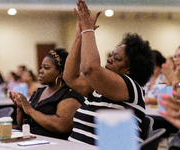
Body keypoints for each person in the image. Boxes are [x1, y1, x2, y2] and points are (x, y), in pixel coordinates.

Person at [63, 0, 154, 145]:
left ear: (129, 70)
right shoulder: (99, 89)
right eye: (111, 55)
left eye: (116, 58)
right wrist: (79, 38)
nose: (109, 60)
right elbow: (70, 78)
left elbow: (90, 68)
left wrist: (88, 30)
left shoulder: (131, 88)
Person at [9, 48, 85, 140]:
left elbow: (62, 126)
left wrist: (31, 111)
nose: (40, 71)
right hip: (33, 142)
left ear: (60, 72)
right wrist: (21, 108)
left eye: (46, 68)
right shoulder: (38, 92)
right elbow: (24, 127)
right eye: (41, 67)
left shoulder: (69, 94)